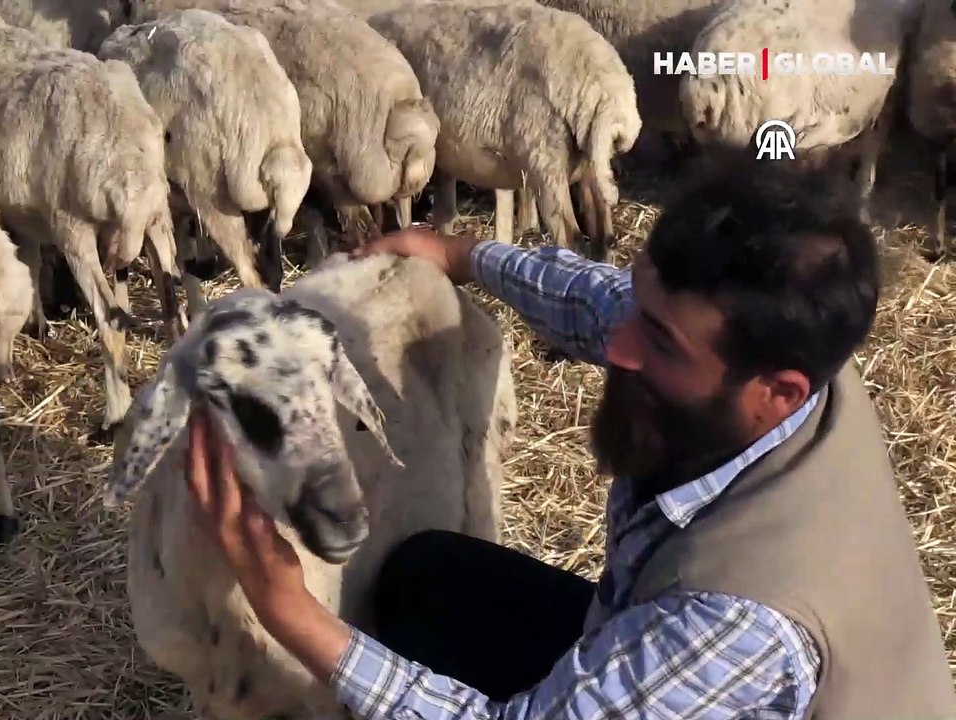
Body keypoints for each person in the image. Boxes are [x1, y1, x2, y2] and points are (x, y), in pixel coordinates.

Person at [179, 160, 956, 718]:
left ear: (775, 390)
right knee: (426, 580)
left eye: (660, 342)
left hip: (703, 676)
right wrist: (464, 254)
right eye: (642, 308)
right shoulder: (794, 368)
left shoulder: (732, 624)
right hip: (642, 639)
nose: (617, 349)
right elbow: (604, 303)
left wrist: (290, 612)